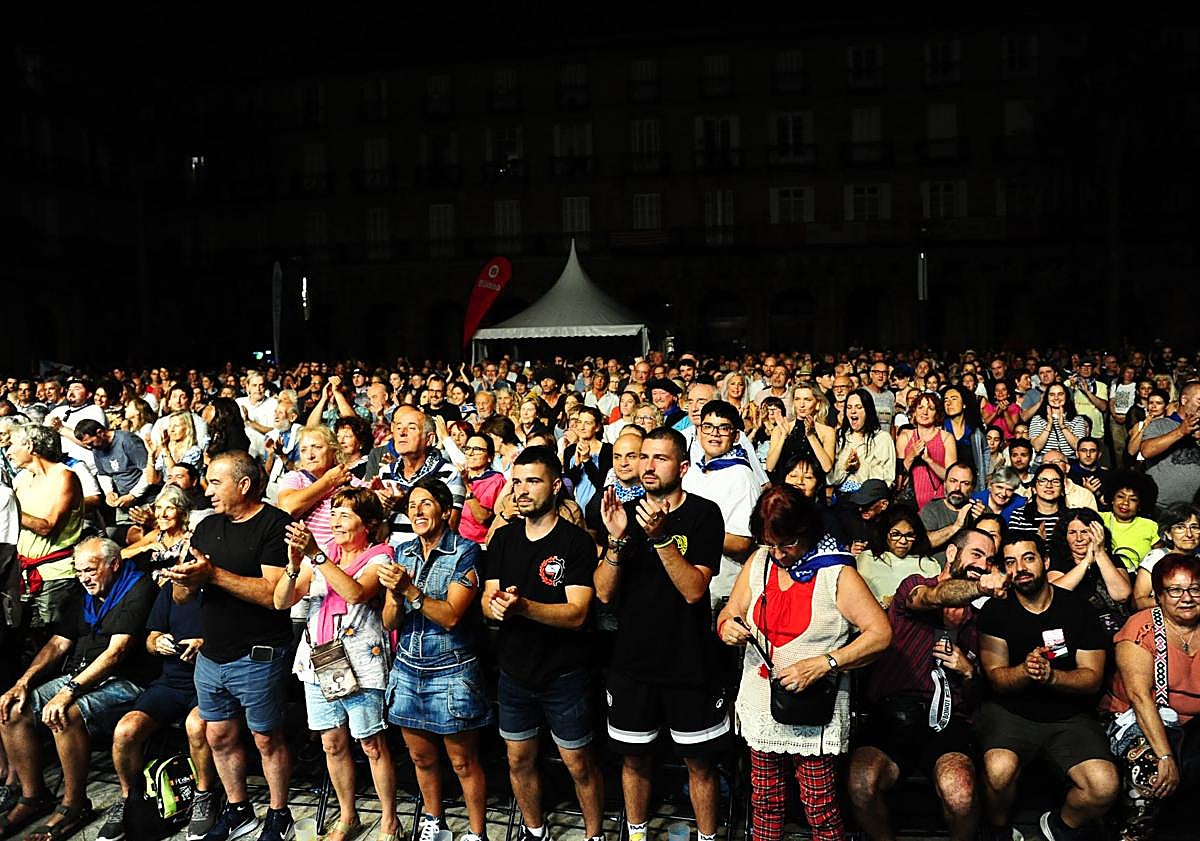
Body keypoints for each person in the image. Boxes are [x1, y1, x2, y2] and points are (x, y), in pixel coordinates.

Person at [716, 485, 891, 841]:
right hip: (761, 703)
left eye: (787, 544)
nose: (778, 554)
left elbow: (880, 634)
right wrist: (727, 628)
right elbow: (729, 614)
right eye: (770, 543)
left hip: (813, 710)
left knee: (820, 806)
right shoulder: (758, 561)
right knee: (764, 802)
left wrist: (827, 662)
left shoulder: (837, 573)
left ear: (807, 531)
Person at [596, 427, 729, 841]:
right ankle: (635, 835)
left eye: (660, 458)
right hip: (633, 661)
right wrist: (617, 541)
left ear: (683, 467)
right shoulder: (624, 512)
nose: (648, 466)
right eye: (643, 457)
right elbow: (602, 592)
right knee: (634, 760)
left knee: (699, 763)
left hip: (688, 661)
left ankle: (707, 838)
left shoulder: (704, 514)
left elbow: (693, 590)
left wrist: (660, 539)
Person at [159, 451, 296, 841]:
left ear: (244, 484)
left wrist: (214, 574)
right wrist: (183, 579)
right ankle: (238, 810)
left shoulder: (274, 524)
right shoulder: (205, 527)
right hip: (212, 653)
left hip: (259, 653)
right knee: (218, 735)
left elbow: (273, 595)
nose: (208, 490)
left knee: (266, 738)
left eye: (216, 482)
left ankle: (278, 813)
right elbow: (184, 597)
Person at [850, 528, 1010, 841]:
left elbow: (981, 694)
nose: (984, 564)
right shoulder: (915, 588)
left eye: (990, 560)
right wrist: (979, 587)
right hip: (895, 714)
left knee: (961, 793)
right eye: (976, 554)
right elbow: (934, 597)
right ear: (952, 553)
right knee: (860, 783)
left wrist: (968, 672)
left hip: (950, 723)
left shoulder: (983, 621)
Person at [484, 448, 605, 841]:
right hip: (514, 672)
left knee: (580, 764)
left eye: (532, 481)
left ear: (555, 487)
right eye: (516, 481)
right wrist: (497, 608)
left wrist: (522, 607)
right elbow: (488, 599)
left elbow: (577, 614)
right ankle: (535, 832)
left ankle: (594, 835)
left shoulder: (575, 543)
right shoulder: (502, 539)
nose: (521, 490)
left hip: (563, 674)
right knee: (518, 760)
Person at [0, 537, 156, 841]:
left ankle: (74, 804)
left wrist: (69, 690)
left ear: (114, 564)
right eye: (79, 570)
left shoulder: (138, 588)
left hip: (125, 679)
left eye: (91, 570)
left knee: (64, 713)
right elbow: (59, 643)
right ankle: (33, 796)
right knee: (10, 707)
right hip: (80, 674)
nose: (84, 577)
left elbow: (116, 653)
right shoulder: (81, 593)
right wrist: (23, 683)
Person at [274, 488, 399, 841]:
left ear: (369, 524)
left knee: (372, 744)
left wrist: (316, 557)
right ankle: (348, 817)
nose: (336, 520)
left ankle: (390, 819)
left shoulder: (381, 555)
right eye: (334, 513)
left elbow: (357, 593)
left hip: (361, 662)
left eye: (346, 514)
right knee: (332, 743)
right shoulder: (322, 556)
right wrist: (294, 563)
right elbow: (282, 601)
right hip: (319, 661)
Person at [977, 533, 1118, 841]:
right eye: (1011, 562)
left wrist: (1051, 676)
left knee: (1104, 786)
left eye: (1028, 558)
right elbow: (998, 678)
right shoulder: (995, 611)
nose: (1020, 568)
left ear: (1046, 562)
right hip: (1010, 712)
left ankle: (1057, 827)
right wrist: (1026, 671)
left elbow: (1092, 677)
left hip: (1069, 716)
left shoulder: (1078, 609)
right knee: (998, 771)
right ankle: (999, 829)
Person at [382, 477, 490, 841]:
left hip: (452, 670)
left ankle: (476, 833)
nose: (416, 510)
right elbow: (389, 620)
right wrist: (396, 597)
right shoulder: (402, 552)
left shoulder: (466, 552)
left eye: (426, 503)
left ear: (446, 512)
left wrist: (409, 590)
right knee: (421, 758)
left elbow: (452, 615)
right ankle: (434, 821)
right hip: (408, 668)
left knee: (463, 762)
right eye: (412, 504)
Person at [100, 579, 213, 841]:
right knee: (126, 730)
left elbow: (237, 637)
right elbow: (150, 639)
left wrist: (205, 644)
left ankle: (204, 794)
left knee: (196, 725)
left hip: (210, 679)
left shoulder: (223, 590)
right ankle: (129, 798)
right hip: (171, 682)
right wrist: (158, 641)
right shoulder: (170, 590)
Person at [1101, 553, 1200, 841]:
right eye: (1176, 590)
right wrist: (1165, 754)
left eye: (1195, 589)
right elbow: (1139, 697)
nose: (1187, 598)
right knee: (1151, 772)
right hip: (1137, 717)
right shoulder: (1142, 628)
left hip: (1193, 722)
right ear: (1158, 595)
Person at [8, 423, 86, 637]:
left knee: (51, 638)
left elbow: (47, 526)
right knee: (23, 640)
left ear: (30, 446)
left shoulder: (65, 476)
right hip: (22, 573)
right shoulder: (22, 478)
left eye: (13, 445)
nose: (8, 451)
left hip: (55, 575)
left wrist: (9, 510)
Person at [681, 400, 761, 607]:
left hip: (720, 587)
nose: (714, 433)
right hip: (686, 577)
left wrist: (689, 530)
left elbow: (741, 542)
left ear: (735, 436)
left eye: (723, 428)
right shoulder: (693, 471)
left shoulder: (741, 475)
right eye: (707, 427)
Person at [362, 405, 466, 548]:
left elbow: (450, 528)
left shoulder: (449, 474)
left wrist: (404, 506)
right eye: (398, 428)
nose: (402, 433)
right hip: (391, 557)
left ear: (429, 439)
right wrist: (377, 508)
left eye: (411, 428)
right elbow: (379, 534)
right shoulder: (385, 472)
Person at [1048, 509, 1133, 636]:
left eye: (1084, 532)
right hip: (1073, 626)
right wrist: (1086, 561)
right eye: (1072, 532)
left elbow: (1122, 595)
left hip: (1113, 627)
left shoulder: (1112, 559)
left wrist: (1099, 553)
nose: (1079, 539)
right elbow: (1054, 594)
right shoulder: (1058, 560)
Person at [277, 425, 354, 553]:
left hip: (339, 554)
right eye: (303, 450)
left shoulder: (347, 479)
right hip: (303, 555)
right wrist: (328, 482)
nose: (309, 456)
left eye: (317, 448)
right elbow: (287, 507)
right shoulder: (296, 478)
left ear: (334, 451)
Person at [855, 506, 941, 608]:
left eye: (909, 535)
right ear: (885, 533)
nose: (903, 541)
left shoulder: (929, 564)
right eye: (895, 534)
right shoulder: (867, 559)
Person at [1139, 382, 1200, 510]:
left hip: (1194, 508)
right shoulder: (1160, 425)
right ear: (1184, 400)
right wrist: (1180, 431)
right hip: (1161, 506)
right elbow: (1146, 451)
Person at [1133, 504, 1200, 610]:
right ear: (1168, 533)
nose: (1189, 534)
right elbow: (1139, 601)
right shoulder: (1156, 558)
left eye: (1195, 527)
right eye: (1180, 527)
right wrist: (1172, 602)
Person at [765, 384, 836, 485]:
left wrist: (811, 435)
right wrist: (783, 436)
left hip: (813, 490)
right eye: (797, 399)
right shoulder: (781, 429)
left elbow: (827, 467)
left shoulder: (827, 431)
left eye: (807, 400)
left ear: (817, 404)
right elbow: (770, 467)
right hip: (785, 489)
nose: (801, 404)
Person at [897, 392, 957, 511]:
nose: (925, 412)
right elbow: (898, 483)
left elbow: (952, 478)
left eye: (930, 408)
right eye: (920, 407)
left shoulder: (946, 438)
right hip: (910, 503)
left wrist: (929, 461)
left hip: (938, 502)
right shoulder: (905, 437)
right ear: (914, 411)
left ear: (937, 414)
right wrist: (911, 456)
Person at [829, 389, 896, 492]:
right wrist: (845, 468)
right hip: (841, 497)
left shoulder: (882, 438)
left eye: (859, 407)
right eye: (849, 407)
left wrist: (860, 468)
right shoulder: (840, 437)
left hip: (868, 498)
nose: (853, 411)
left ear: (868, 410)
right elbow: (830, 479)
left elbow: (887, 479)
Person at [1099, 470, 1159, 572]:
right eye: (1120, 496)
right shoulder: (1098, 519)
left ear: (1140, 505)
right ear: (1112, 498)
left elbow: (1159, 558)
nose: (1125, 503)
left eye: (1133, 499)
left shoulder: (1150, 526)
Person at [920, 462, 985, 554]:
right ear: (945, 484)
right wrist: (956, 526)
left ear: (972, 488)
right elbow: (924, 543)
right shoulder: (931, 509)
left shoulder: (980, 511)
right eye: (953, 481)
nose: (957, 488)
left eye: (965, 483)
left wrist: (982, 522)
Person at [1008, 463, 1069, 540]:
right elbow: (1013, 548)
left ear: (1062, 488)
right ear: (1034, 487)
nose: (1049, 486)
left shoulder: (1070, 517)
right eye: (1043, 481)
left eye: (1055, 481)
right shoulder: (1018, 515)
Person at [941, 385, 987, 486]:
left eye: (954, 399)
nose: (948, 403)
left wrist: (987, 475)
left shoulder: (975, 430)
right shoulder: (941, 429)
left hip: (973, 484)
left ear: (964, 404)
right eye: (945, 400)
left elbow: (985, 451)